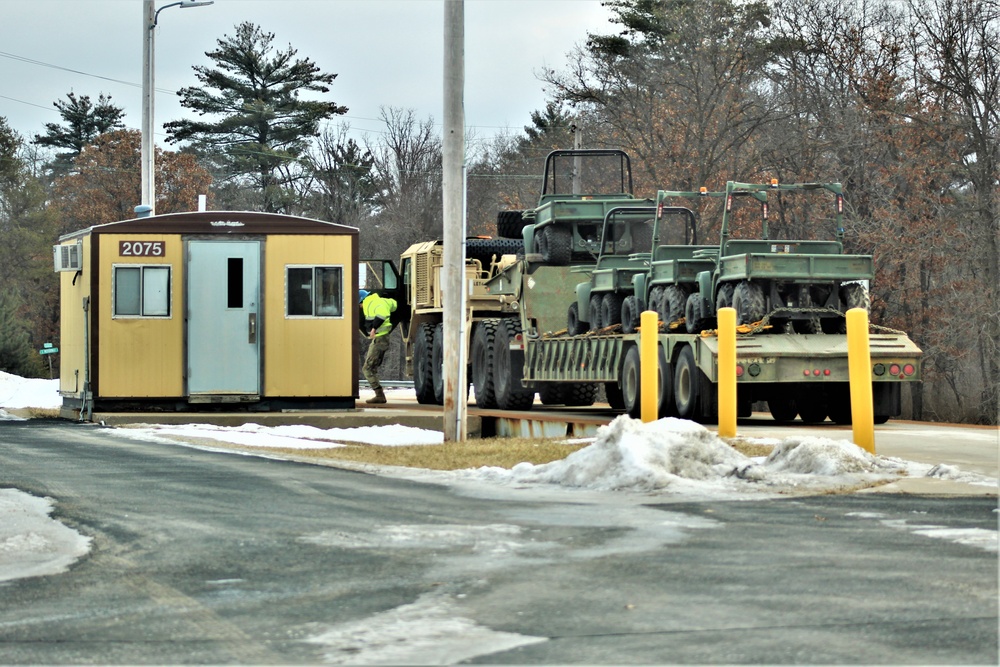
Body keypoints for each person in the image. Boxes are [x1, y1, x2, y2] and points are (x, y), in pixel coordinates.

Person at [359, 289, 398, 404]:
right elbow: (394, 305)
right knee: (372, 368)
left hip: (380, 338)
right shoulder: (381, 301)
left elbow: (382, 314)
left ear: (362, 301)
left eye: (359, 304)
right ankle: (379, 395)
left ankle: (379, 395)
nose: (360, 307)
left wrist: (374, 328)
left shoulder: (373, 303)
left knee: (367, 368)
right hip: (381, 339)